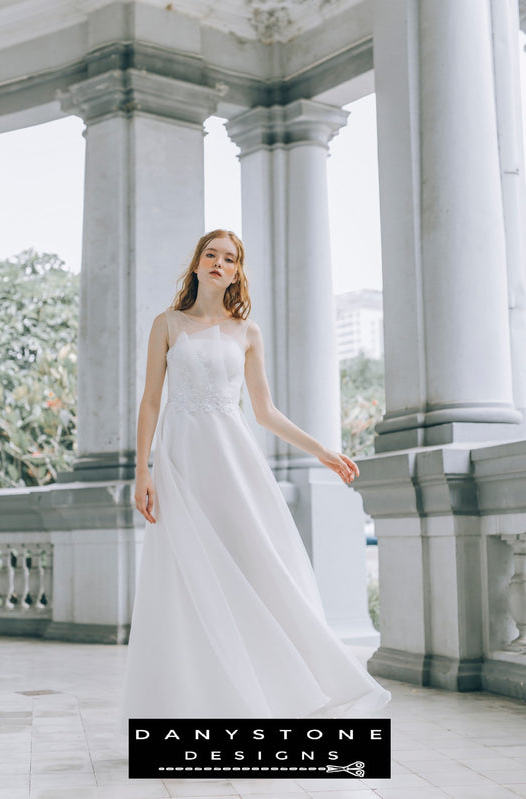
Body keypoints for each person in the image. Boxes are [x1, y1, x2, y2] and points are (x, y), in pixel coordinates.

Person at [115, 228, 391, 735]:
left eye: (231, 259)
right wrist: (143, 470)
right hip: (180, 463)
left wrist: (323, 451)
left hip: (232, 462)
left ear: (237, 272)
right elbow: (151, 401)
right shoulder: (167, 325)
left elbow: (265, 412)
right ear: (196, 263)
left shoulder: (247, 331)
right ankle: (195, 705)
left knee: (254, 564)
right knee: (185, 572)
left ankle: (285, 691)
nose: (220, 263)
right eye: (211, 254)